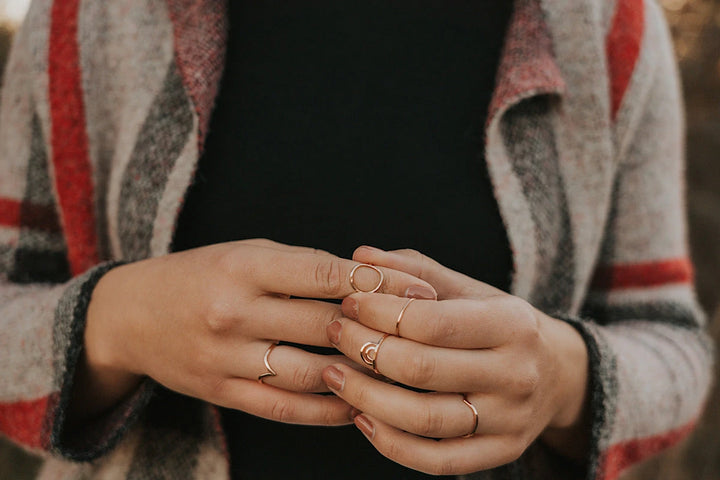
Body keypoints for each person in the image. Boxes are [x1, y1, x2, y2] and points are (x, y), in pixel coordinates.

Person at [0, 0, 713, 479]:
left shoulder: (608, 25)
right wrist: (118, 321)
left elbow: (673, 341)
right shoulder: (85, 17)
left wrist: (561, 377)